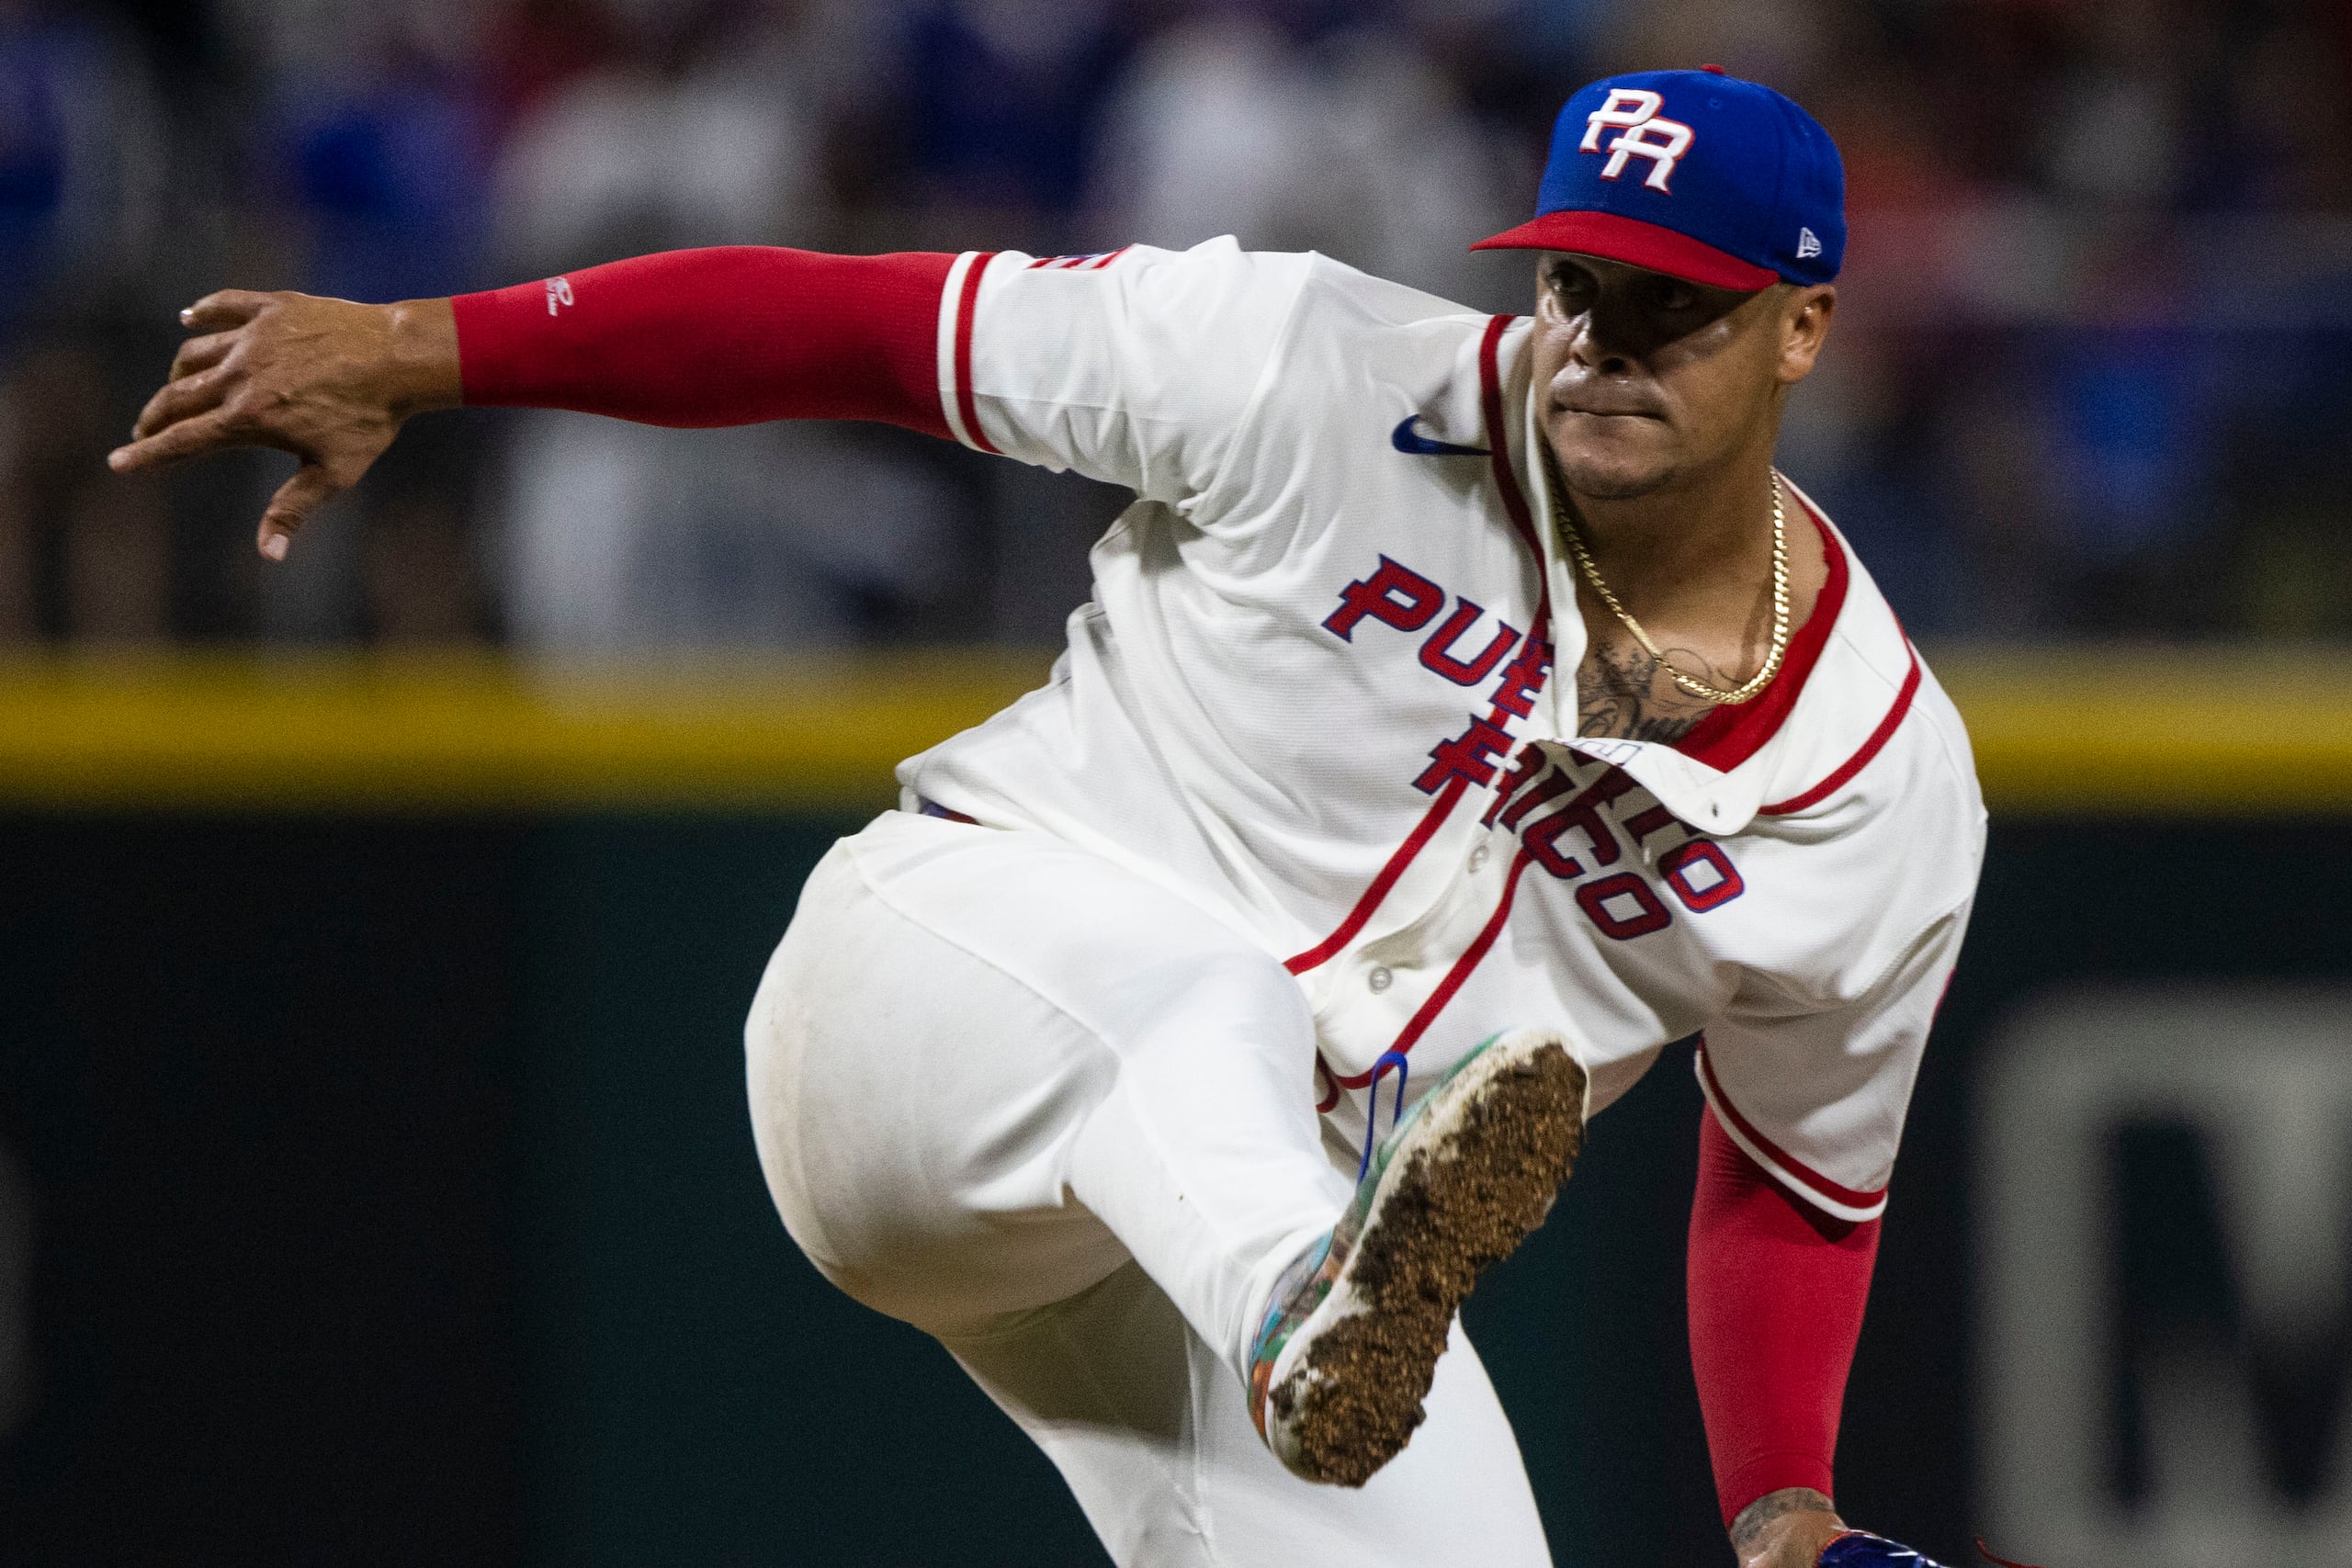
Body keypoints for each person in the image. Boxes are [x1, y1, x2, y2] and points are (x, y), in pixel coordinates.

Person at [110, 68, 1984, 1568]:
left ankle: (1301, 1303)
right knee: (1209, 1010)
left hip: (1211, 1237)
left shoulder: (1881, 784)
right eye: (1574, 283)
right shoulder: (1302, 361)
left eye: (1671, 305)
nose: (1596, 342)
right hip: (941, 1000)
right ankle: (1298, 1299)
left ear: (1803, 327)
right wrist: (418, 346)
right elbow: (852, 327)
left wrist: (1783, 1517)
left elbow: (1795, 1182)